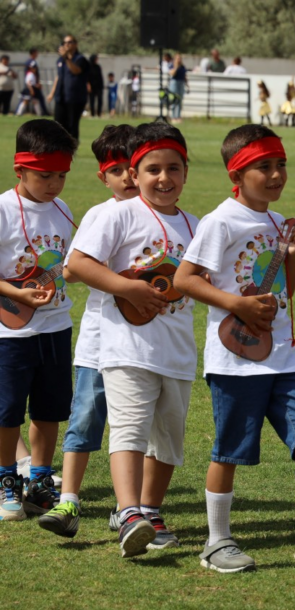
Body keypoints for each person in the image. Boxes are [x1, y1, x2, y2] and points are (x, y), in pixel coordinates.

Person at [169, 125, 295, 572]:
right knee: (229, 450)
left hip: (283, 355)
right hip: (236, 360)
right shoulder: (221, 220)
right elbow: (184, 279)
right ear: (237, 174)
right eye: (264, 167)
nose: (276, 175)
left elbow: (284, 290)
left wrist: (293, 255)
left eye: (281, 165)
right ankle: (217, 541)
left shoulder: (277, 224)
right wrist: (234, 302)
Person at [65, 121, 201, 558]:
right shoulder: (118, 214)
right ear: (135, 173)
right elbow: (79, 263)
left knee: (169, 437)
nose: (164, 178)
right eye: (153, 169)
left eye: (174, 168)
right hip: (127, 347)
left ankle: (151, 509)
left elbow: (210, 280)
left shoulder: (196, 225)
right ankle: (128, 512)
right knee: (128, 429)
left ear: (185, 172)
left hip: (177, 351)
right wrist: (128, 288)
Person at [37, 124, 138, 537]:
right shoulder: (102, 214)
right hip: (99, 341)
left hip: (142, 345)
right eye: (117, 170)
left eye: (134, 167)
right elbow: (72, 271)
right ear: (103, 176)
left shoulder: (159, 216)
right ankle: (69, 501)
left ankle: (128, 507)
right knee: (84, 419)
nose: (128, 177)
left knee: (134, 426)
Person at [0, 120, 78, 522]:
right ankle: (6, 481)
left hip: (55, 326)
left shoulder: (64, 209)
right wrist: (15, 293)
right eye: (45, 175)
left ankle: (41, 481)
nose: (54, 184)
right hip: (9, 330)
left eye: (62, 175)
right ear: (20, 169)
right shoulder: (2, 209)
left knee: (50, 410)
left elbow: (71, 263)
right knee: (7, 411)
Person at [48, 34, 89, 141]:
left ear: (75, 44)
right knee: (58, 125)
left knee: (72, 125)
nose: (66, 45)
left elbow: (76, 71)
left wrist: (67, 58)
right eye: (64, 43)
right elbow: (58, 76)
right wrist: (52, 93)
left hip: (75, 97)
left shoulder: (80, 59)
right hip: (61, 97)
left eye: (69, 42)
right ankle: (59, 149)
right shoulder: (60, 60)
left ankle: (72, 148)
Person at [168, 54, 187, 120]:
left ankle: (178, 116)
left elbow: (184, 76)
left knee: (179, 100)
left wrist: (187, 85)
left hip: (181, 83)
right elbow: (172, 74)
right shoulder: (171, 65)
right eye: (177, 58)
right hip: (174, 83)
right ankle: (173, 116)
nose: (179, 60)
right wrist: (176, 67)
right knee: (174, 99)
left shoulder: (182, 67)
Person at [87, 54, 103, 119]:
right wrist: (88, 85)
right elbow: (87, 77)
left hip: (98, 87)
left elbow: (100, 77)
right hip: (91, 87)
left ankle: (99, 113)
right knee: (92, 101)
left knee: (100, 100)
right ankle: (92, 114)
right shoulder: (88, 67)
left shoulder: (98, 67)